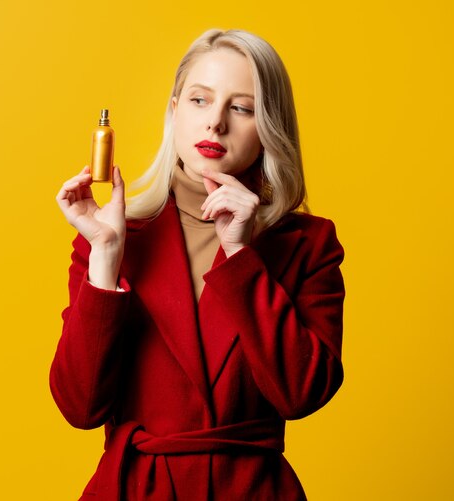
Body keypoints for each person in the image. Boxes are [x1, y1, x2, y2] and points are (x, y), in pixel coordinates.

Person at [51, 28, 345, 501]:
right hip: (135, 489)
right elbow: (80, 407)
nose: (215, 124)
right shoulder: (113, 236)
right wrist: (105, 259)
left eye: (242, 108)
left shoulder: (307, 244)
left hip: (251, 490)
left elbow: (302, 394)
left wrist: (241, 256)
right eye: (199, 100)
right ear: (173, 111)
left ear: (270, 126)